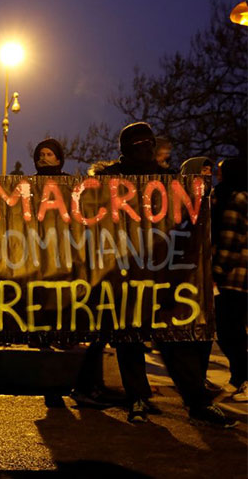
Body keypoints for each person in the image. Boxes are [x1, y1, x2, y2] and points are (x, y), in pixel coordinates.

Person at [96, 122, 237, 427]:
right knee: (129, 338)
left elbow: (189, 222)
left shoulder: (171, 181)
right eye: (137, 144)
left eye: (149, 142)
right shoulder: (109, 180)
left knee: (176, 340)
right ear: (125, 149)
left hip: (165, 274)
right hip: (125, 273)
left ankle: (196, 400)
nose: (144, 148)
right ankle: (136, 398)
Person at [212, 157, 248, 402]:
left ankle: (242, 377)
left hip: (234, 277)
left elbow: (229, 239)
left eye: (221, 172)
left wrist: (217, 272)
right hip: (239, 276)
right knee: (234, 330)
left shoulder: (235, 199)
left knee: (227, 331)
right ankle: (239, 378)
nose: (217, 176)